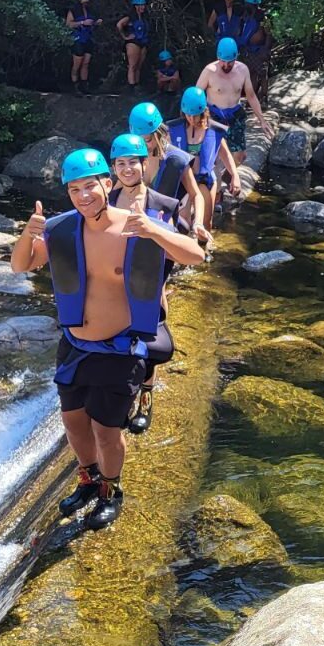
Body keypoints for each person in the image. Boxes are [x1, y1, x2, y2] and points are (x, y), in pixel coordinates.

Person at [11, 148, 205, 529]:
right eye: (74, 189)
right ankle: (88, 479)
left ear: (107, 183)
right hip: (75, 346)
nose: (84, 196)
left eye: (90, 186)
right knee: (73, 421)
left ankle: (110, 491)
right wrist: (28, 233)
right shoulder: (62, 229)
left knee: (105, 428)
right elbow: (21, 264)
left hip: (119, 348)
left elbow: (195, 255)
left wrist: (155, 230)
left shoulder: (136, 225)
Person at [109, 132, 181, 436]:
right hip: (113, 283)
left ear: (144, 164)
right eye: (121, 164)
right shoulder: (106, 200)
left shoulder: (163, 203)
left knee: (151, 346)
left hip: (149, 284)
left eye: (133, 163)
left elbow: (174, 249)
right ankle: (123, 395)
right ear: (113, 168)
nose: (127, 169)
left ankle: (146, 398)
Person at [128, 101, 212, 243]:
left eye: (147, 140)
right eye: (139, 141)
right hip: (138, 226)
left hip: (166, 228)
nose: (143, 147)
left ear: (158, 133)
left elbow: (196, 194)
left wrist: (197, 223)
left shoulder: (176, 159)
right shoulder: (129, 159)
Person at [171, 86, 240, 231]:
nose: (191, 119)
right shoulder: (174, 130)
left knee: (205, 223)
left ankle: (204, 249)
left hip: (205, 179)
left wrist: (235, 175)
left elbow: (225, 154)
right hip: (183, 181)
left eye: (195, 115)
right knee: (182, 222)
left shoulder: (214, 131)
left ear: (203, 112)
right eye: (188, 115)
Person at [196, 37, 274, 165]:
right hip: (214, 115)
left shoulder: (242, 70)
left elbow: (251, 96)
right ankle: (215, 180)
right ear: (218, 57)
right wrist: (197, 119)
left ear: (236, 58)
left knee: (240, 156)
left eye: (230, 62)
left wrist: (262, 120)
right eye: (223, 62)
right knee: (213, 156)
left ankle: (231, 179)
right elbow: (196, 96)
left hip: (235, 114)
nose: (226, 66)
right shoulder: (209, 71)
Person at [65, 0, 102, 94]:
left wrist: (96, 22)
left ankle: (84, 85)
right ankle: (74, 85)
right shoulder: (73, 9)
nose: (85, 1)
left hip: (88, 38)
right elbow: (68, 24)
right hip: (78, 38)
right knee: (77, 63)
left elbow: (92, 22)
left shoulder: (91, 9)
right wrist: (81, 23)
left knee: (86, 62)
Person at [239, 0, 272, 106]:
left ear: (254, 5)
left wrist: (266, 49)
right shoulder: (246, 17)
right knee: (251, 74)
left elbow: (268, 34)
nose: (246, 6)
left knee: (263, 74)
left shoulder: (263, 18)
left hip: (260, 50)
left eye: (248, 4)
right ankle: (251, 98)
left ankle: (264, 98)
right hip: (249, 50)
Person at [116, 0, 150, 93]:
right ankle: (131, 86)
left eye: (143, 5)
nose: (142, 7)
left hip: (142, 42)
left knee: (138, 65)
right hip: (133, 43)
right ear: (135, 6)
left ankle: (137, 84)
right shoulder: (130, 17)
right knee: (132, 65)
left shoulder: (144, 18)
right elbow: (119, 25)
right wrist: (125, 37)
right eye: (140, 5)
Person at [154, 49, 181, 115]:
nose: (169, 61)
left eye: (169, 59)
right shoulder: (160, 68)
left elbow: (176, 77)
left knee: (174, 80)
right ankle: (160, 91)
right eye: (167, 60)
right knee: (160, 82)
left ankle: (173, 92)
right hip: (165, 84)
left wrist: (166, 77)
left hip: (173, 84)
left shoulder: (174, 68)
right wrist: (169, 78)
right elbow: (160, 78)